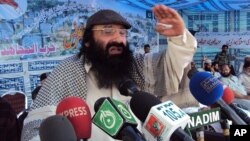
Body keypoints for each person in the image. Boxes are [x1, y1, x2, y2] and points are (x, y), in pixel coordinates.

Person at [21, 5, 197, 141]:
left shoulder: (136, 64)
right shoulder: (67, 71)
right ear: (88, 41)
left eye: (122, 33)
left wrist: (178, 37)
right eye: (107, 31)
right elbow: (36, 126)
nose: (118, 38)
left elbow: (170, 65)